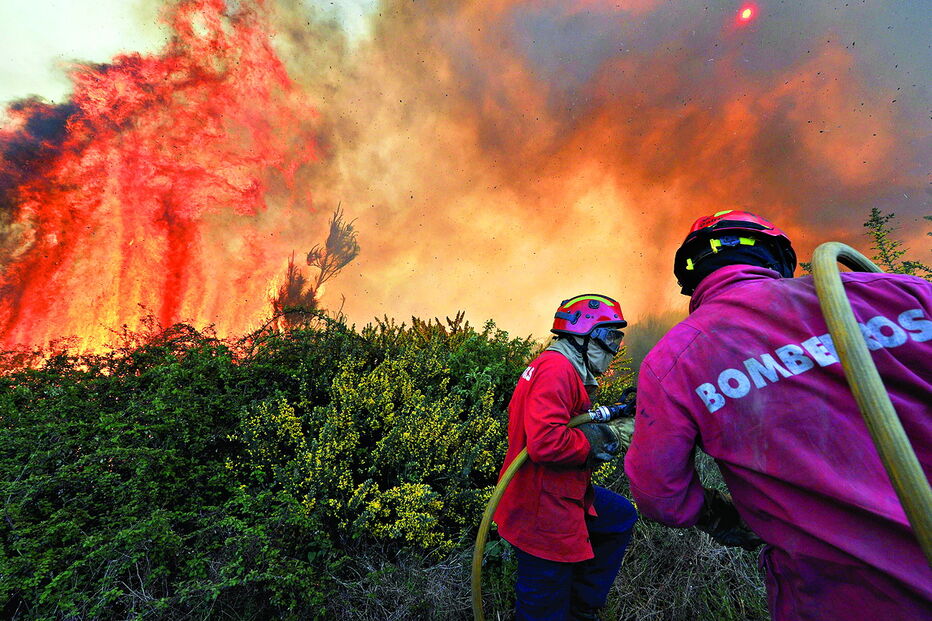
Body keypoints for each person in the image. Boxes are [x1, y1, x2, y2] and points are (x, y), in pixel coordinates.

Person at [624, 210, 932, 620]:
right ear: (778, 256)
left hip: (843, 600)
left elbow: (659, 496)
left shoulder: (675, 360)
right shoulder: (899, 293)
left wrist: (720, 516)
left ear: (692, 278)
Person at [494, 294, 639, 621]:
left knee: (619, 516)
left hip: (556, 490)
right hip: (542, 508)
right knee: (543, 608)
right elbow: (546, 443)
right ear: (584, 335)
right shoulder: (556, 370)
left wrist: (616, 414)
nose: (614, 348)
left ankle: (580, 608)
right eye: (609, 337)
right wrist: (610, 437)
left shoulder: (563, 366)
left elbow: (567, 421)